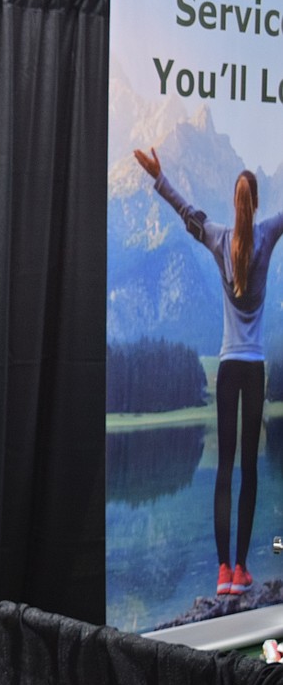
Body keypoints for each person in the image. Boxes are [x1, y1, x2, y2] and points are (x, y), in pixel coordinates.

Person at [135, 147, 283, 597]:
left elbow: (186, 211)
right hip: (254, 368)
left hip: (226, 366)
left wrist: (160, 177)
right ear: (255, 202)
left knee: (223, 470)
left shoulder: (219, 238)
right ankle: (241, 568)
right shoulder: (267, 234)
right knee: (249, 472)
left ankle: (221, 573)